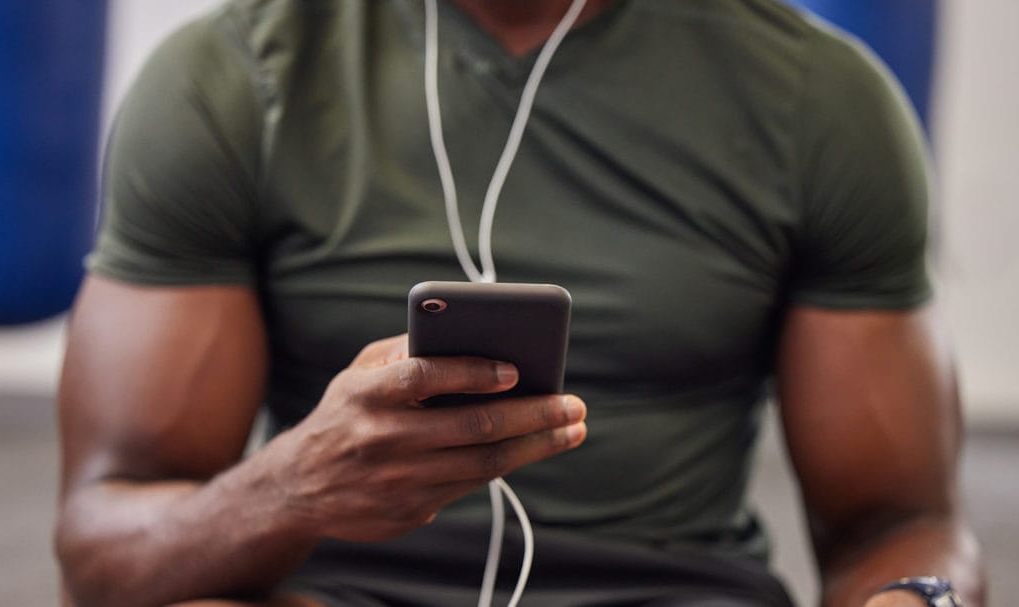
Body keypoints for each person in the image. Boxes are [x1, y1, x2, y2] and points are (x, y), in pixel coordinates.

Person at [55, 1, 985, 606]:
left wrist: (916, 597)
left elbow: (900, 519)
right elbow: (101, 549)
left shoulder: (819, 100)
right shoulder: (230, 81)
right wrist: (288, 487)